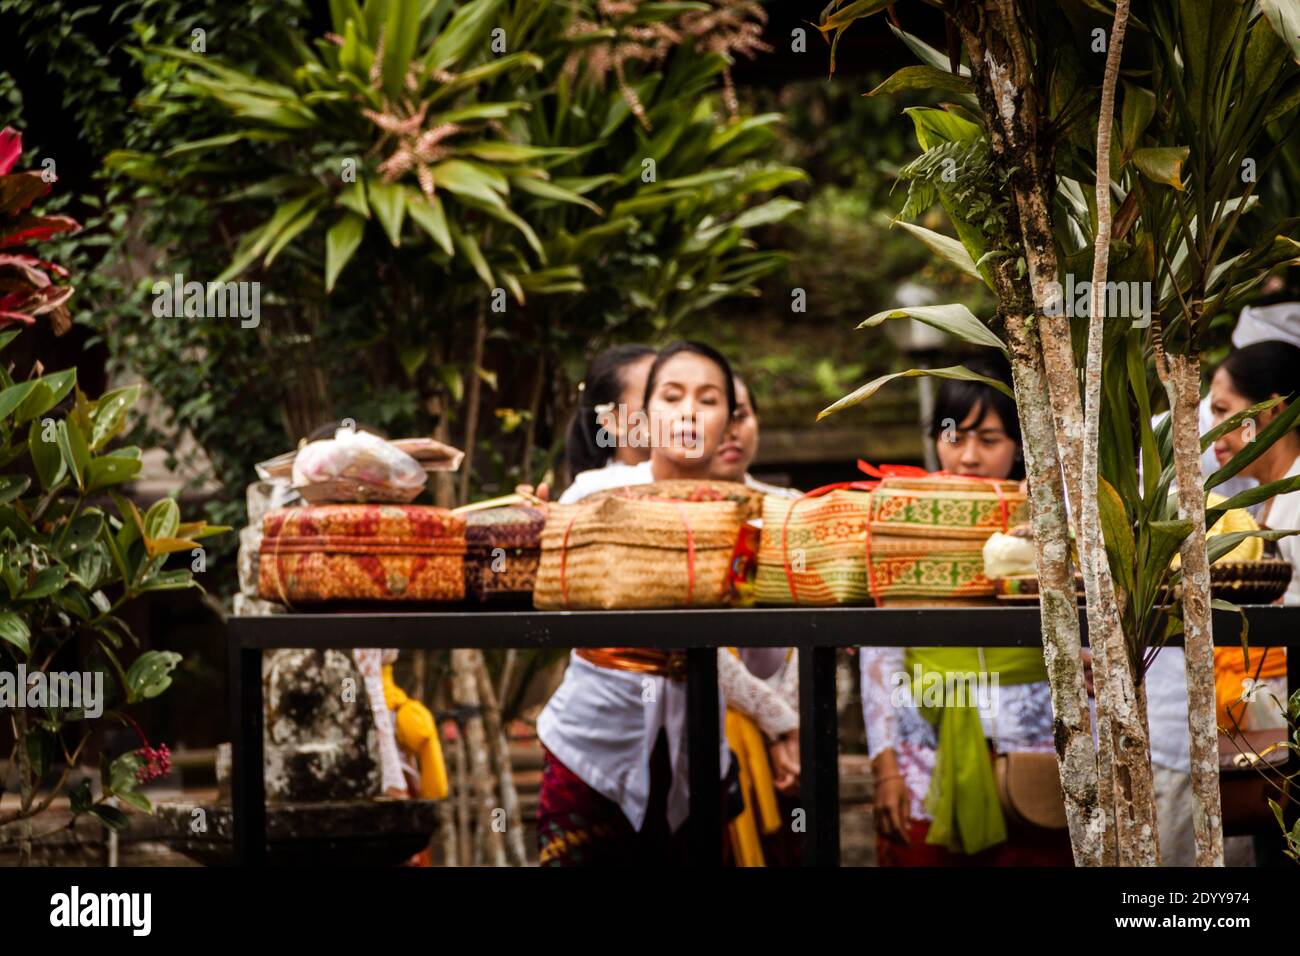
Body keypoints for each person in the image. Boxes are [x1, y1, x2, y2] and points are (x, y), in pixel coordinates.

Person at [535, 341, 799, 865]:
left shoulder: (753, 516)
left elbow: (766, 661)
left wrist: (762, 580)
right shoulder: (594, 494)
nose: (688, 413)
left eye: (709, 400)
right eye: (671, 397)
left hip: (699, 755)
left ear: (731, 421)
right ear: (644, 416)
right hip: (591, 743)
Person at [859, 355, 1073, 866]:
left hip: (1032, 745)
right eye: (954, 436)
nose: (969, 456)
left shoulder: (1059, 515)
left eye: (990, 439)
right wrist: (885, 769)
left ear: (1022, 446)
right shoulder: (904, 515)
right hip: (923, 743)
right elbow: (880, 651)